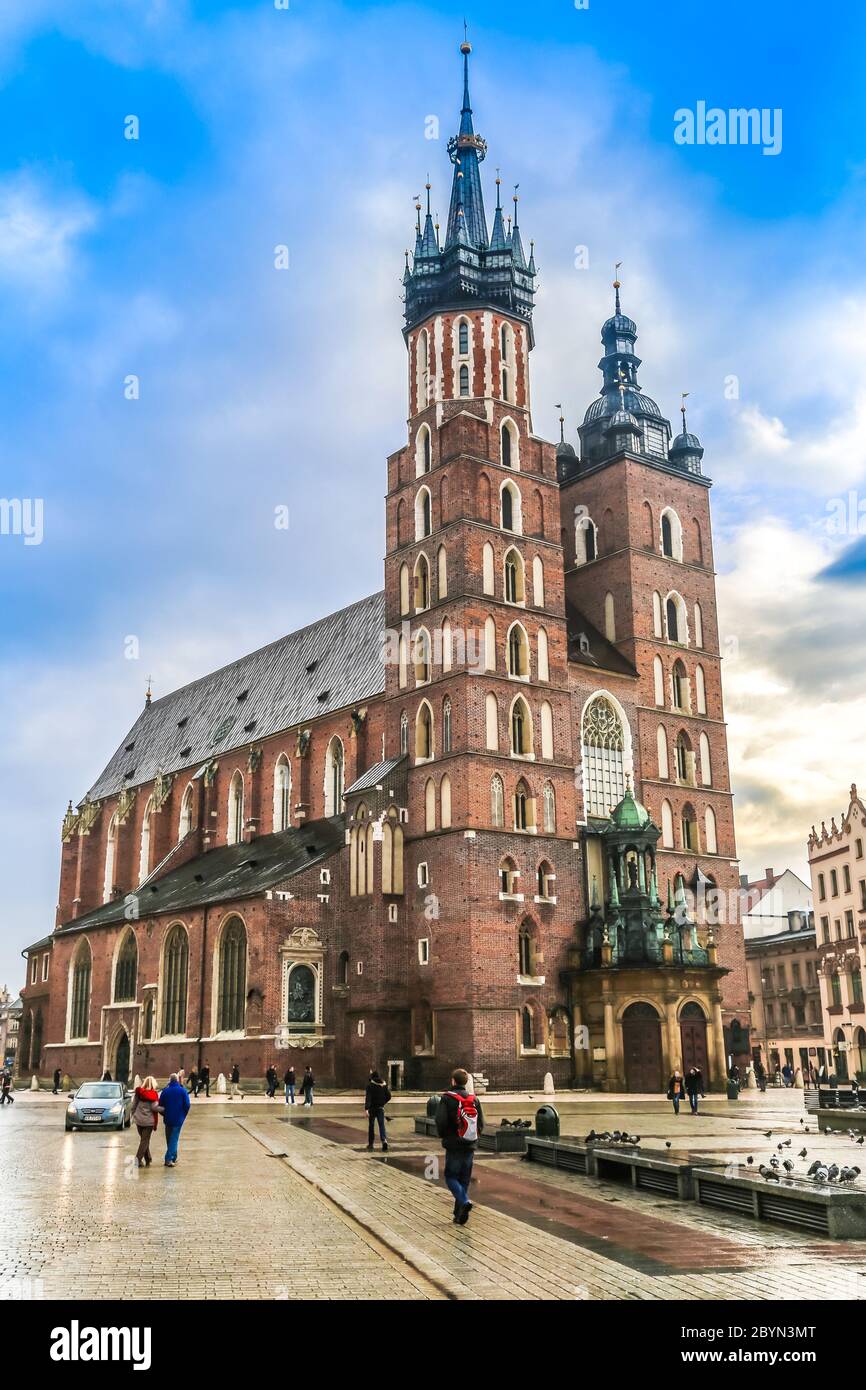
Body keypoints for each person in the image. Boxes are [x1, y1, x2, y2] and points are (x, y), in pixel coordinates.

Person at [435, 1068, 483, 1225]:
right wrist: (473, 1137)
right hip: (470, 1144)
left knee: (450, 1177)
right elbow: (481, 1123)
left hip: (454, 1144)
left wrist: (445, 1136)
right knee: (464, 1179)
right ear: (466, 1081)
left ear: (453, 1081)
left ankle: (464, 1201)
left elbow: (441, 1121)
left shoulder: (447, 1098)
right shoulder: (474, 1099)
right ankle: (459, 1214)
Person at [158, 1072, 191, 1167]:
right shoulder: (182, 1091)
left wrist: (164, 1114)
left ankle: (174, 1157)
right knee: (174, 1139)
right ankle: (168, 1159)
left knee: (170, 1138)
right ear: (177, 1080)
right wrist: (183, 1114)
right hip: (178, 1119)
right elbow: (187, 1105)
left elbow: (160, 1105)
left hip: (168, 1118)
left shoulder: (165, 1091)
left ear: (169, 1080)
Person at [131, 1075, 159, 1167]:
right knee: (145, 1141)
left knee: (144, 1140)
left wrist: (134, 1115)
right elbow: (155, 1109)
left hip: (139, 1120)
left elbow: (133, 1105)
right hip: (149, 1122)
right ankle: (137, 1160)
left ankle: (148, 1158)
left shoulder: (139, 1093)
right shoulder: (154, 1095)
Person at [365, 1071, 391, 1151]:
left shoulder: (370, 1086)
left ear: (372, 1077)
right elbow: (389, 1096)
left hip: (372, 1109)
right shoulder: (384, 1085)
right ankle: (384, 1141)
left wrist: (366, 1109)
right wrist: (383, 1102)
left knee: (371, 1126)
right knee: (381, 1125)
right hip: (380, 1108)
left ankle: (371, 1143)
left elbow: (368, 1098)